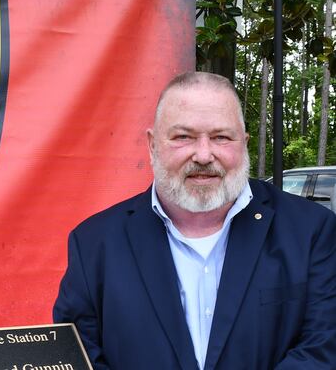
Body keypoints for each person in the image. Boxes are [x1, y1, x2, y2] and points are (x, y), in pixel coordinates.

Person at [53, 72, 335, 370]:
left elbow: (323, 348)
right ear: (152, 145)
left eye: (221, 137)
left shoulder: (311, 232)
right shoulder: (94, 244)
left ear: (244, 143)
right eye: (183, 137)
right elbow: (78, 356)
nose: (203, 155)